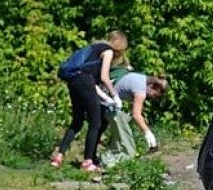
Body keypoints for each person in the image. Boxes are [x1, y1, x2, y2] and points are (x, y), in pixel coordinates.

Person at [51, 30, 128, 172]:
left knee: (77, 121)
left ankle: (58, 156)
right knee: (96, 122)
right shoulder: (108, 51)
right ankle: (87, 161)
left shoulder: (94, 48)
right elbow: (104, 78)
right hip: (85, 82)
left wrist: (107, 98)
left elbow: (91, 81)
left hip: (74, 82)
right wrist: (115, 95)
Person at [96, 73, 169, 167]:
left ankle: (107, 156)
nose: (152, 97)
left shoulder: (141, 78)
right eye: (154, 95)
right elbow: (136, 115)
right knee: (127, 148)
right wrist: (148, 133)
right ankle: (113, 163)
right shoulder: (141, 90)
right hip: (108, 105)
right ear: (151, 86)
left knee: (122, 130)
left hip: (104, 102)